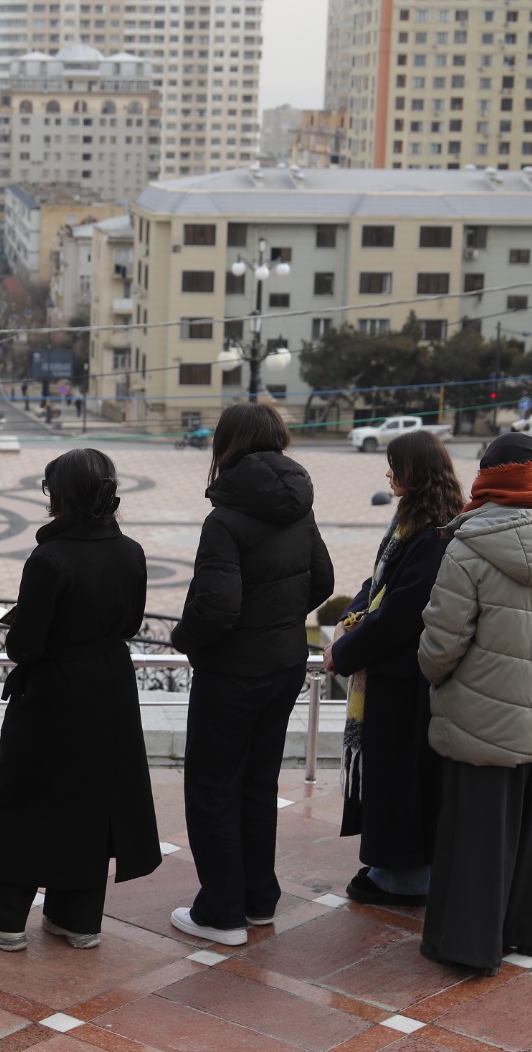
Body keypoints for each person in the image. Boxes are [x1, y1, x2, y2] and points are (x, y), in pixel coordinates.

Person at [418, 433, 532, 975]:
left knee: (477, 836)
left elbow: (439, 649)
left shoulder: (466, 548)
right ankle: (531, 932)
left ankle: (469, 945)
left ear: (489, 477)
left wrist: (436, 675)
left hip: (481, 723)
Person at [0, 449, 159, 951]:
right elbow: (131, 623)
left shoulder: (49, 558)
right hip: (110, 687)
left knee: (24, 799)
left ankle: (5, 921)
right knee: (89, 801)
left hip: (54, 691)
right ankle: (76, 919)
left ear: (61, 496)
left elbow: (25, 645)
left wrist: (21, 624)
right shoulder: (131, 552)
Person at [169, 403, 334, 946]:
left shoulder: (226, 516)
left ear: (228, 443)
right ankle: (259, 900)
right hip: (285, 664)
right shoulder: (300, 504)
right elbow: (323, 580)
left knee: (213, 788)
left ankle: (221, 912)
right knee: (258, 785)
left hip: (232, 673)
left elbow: (216, 606)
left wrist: (184, 640)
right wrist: (283, 621)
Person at [324, 431, 464, 906]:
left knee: (404, 779)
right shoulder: (416, 522)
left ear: (415, 472)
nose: (388, 473)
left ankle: (404, 878)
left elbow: (402, 613)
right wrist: (350, 618)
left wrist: (344, 652)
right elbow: (378, 582)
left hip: (409, 681)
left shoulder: (435, 534)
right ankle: (389, 865)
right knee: (391, 775)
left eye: (394, 466)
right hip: (395, 677)